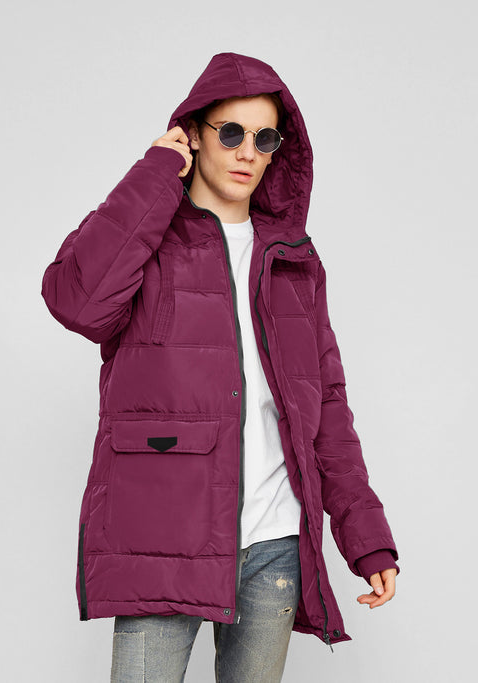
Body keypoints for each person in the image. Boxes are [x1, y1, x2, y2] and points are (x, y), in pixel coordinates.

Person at [41, 52, 400, 682]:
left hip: (274, 543)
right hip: (163, 537)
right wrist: (155, 172)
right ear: (194, 135)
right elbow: (77, 301)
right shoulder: (151, 241)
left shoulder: (292, 259)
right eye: (230, 133)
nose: (247, 153)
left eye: (265, 139)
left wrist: (365, 534)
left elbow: (327, 407)